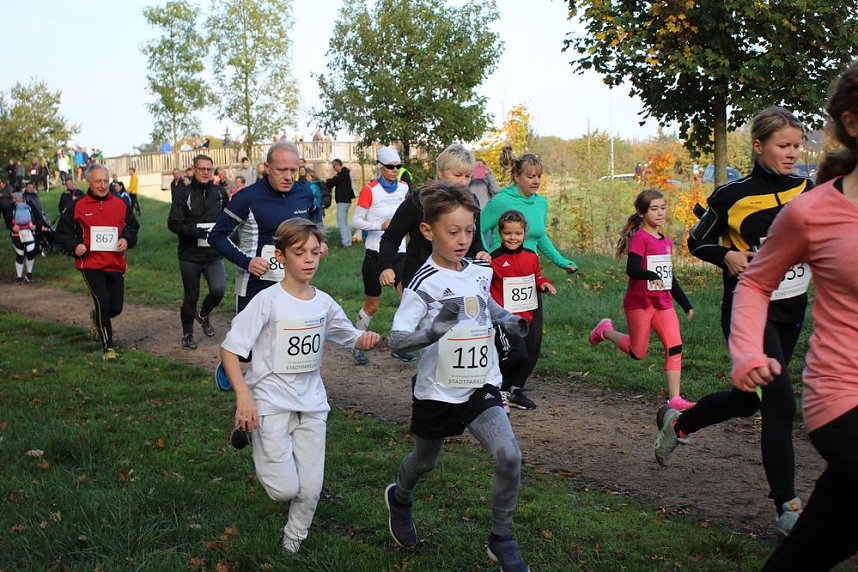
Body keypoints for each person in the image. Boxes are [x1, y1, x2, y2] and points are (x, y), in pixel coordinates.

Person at [655, 106, 814, 536]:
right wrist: (726, 254)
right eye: (783, 146)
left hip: (791, 309)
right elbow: (695, 240)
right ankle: (787, 507)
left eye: (797, 145)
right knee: (780, 402)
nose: (792, 153)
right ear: (759, 147)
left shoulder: (808, 187)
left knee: (748, 400)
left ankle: (680, 422)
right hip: (748, 311)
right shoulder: (731, 196)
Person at [728, 60, 858, 570]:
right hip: (843, 394)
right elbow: (756, 282)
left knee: (815, 547)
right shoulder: (812, 212)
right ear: (852, 120)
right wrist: (746, 351)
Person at [384, 182, 530, 571]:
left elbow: (486, 305)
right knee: (423, 462)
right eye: (453, 232)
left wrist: (509, 320)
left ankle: (501, 538)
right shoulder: (421, 283)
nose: (463, 239)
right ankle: (400, 496)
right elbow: (396, 342)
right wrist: (432, 332)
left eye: (469, 230)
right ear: (428, 231)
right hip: (437, 391)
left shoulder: (480, 271)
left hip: (481, 384)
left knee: (509, 455)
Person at [221, 218, 380, 554]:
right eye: (299, 253)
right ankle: (251, 430)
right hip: (268, 402)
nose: (309, 259)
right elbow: (230, 349)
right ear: (281, 256)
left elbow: (347, 334)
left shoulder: (323, 302)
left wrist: (363, 339)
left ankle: (292, 544)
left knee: (311, 488)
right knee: (283, 489)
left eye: (314, 252)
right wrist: (244, 399)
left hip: (312, 404)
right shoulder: (268, 300)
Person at [209, 142, 324, 390]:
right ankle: (229, 362)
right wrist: (246, 261)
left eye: (293, 170)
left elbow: (315, 221)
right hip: (255, 282)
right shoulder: (247, 198)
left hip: (292, 283)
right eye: (282, 169)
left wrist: (319, 243)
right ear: (267, 167)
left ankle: (274, 394)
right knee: (248, 347)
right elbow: (216, 236)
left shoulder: (303, 193)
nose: (288, 176)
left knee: (281, 340)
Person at [590, 189, 695, 410]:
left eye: (663, 208)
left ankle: (675, 398)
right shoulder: (640, 238)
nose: (660, 213)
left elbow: (669, 277)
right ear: (641, 212)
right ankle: (605, 331)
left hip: (663, 304)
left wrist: (685, 303)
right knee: (638, 353)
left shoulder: (666, 241)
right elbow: (633, 268)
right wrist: (650, 274)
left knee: (675, 346)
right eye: (654, 209)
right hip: (640, 304)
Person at [55, 164, 139, 362]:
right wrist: (74, 246)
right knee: (103, 301)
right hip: (90, 264)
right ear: (88, 182)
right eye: (98, 182)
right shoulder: (77, 206)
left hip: (115, 263)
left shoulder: (120, 204)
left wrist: (126, 240)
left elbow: (133, 228)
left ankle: (97, 318)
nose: (102, 186)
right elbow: (61, 234)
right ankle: (108, 347)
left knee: (115, 307)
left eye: (105, 181)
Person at [379, 143, 488, 292]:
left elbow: (476, 240)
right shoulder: (417, 201)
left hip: (460, 277)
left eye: (467, 176)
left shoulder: (471, 201)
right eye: (457, 175)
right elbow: (391, 238)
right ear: (440, 172)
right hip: (420, 279)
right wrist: (387, 267)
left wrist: (480, 252)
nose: (463, 182)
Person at [490, 210, 557, 410]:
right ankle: (497, 391)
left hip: (529, 312)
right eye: (508, 233)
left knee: (531, 353)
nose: (513, 238)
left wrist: (544, 283)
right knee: (516, 353)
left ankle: (515, 390)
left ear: (524, 233)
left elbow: (536, 276)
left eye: (517, 234)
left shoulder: (530, 256)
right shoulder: (493, 259)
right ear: (500, 234)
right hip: (506, 317)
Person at [349, 147, 410, 365]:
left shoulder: (404, 188)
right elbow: (355, 221)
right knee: (372, 305)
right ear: (381, 168)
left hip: (399, 252)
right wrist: (380, 225)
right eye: (390, 167)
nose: (395, 171)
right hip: (375, 252)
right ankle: (356, 343)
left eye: (398, 167)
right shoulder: (370, 190)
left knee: (408, 299)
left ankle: (400, 345)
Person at [168, 154, 230, 350]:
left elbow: (229, 217)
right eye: (201, 169)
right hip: (190, 255)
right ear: (194, 170)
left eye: (209, 169)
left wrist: (228, 233)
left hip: (213, 254)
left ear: (213, 171)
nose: (205, 172)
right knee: (191, 296)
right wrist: (195, 232)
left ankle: (203, 315)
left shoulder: (220, 192)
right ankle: (187, 333)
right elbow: (173, 223)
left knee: (218, 290)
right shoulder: (183, 194)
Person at [4, 190, 42, 284]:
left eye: (15, 198)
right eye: (14, 199)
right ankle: (19, 277)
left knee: (31, 252)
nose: (14, 200)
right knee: (20, 255)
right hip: (16, 234)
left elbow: (39, 218)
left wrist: (35, 226)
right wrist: (12, 227)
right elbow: (7, 221)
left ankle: (29, 274)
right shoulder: (11, 207)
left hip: (29, 232)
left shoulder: (30, 205)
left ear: (21, 198)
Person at [325, 158, 354, 247]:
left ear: (338, 165)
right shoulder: (346, 174)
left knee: (341, 222)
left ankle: (345, 242)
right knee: (345, 222)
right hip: (347, 201)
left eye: (334, 166)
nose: (334, 169)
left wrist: (326, 181)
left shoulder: (342, 175)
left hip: (342, 201)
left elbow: (332, 181)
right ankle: (348, 241)